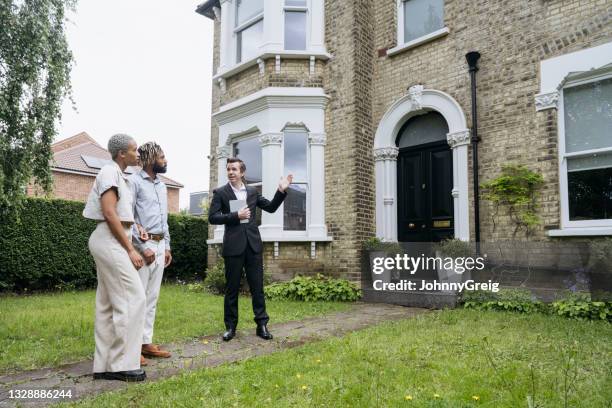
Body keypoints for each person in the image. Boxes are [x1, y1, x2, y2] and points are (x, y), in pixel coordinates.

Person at [83, 134, 147, 382]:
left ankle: (105, 364)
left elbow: (119, 214)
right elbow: (109, 213)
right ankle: (122, 363)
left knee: (108, 303)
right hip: (109, 241)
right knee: (134, 298)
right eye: (135, 150)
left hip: (110, 239)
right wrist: (130, 249)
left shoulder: (119, 176)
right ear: (122, 154)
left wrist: (135, 228)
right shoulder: (109, 172)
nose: (138, 153)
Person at [208, 157, 293, 341]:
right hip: (233, 247)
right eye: (228, 169)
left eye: (234, 169)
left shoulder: (253, 192)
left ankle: (261, 325)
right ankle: (230, 327)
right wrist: (235, 215)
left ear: (242, 172)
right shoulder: (221, 193)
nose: (231, 172)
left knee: (257, 288)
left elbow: (270, 207)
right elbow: (212, 217)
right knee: (231, 289)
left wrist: (281, 191)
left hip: (253, 246)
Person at [129, 142, 173, 366]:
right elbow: (128, 218)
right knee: (138, 298)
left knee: (152, 297)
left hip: (159, 245)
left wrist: (166, 246)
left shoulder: (162, 186)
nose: (165, 160)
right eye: (162, 157)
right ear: (150, 160)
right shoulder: (134, 182)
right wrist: (141, 247)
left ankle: (146, 342)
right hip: (142, 248)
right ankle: (131, 348)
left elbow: (164, 220)